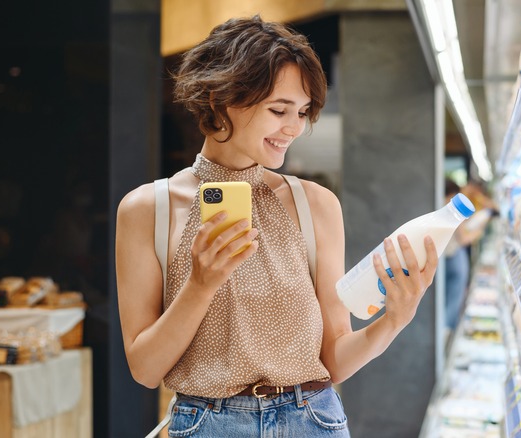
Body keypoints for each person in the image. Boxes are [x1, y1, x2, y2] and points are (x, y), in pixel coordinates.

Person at [115, 16, 439, 437]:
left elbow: (335, 359)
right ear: (220, 99)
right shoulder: (147, 209)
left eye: (302, 112)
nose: (295, 128)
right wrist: (199, 285)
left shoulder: (315, 205)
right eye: (278, 110)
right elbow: (144, 369)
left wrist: (394, 320)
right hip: (208, 425)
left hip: (314, 420)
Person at [443, 178, 490, 334]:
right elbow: (464, 239)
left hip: (445, 258)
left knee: (448, 296)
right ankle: (447, 330)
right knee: (454, 297)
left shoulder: (438, 209)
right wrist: (479, 231)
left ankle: (445, 330)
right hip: (454, 256)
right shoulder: (452, 209)